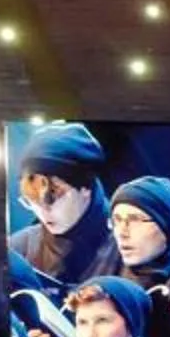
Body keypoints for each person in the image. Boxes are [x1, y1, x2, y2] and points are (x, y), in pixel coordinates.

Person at [8, 120, 114, 287]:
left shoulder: (129, 247)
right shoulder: (18, 249)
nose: (42, 212)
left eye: (52, 199)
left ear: (85, 187)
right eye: (31, 201)